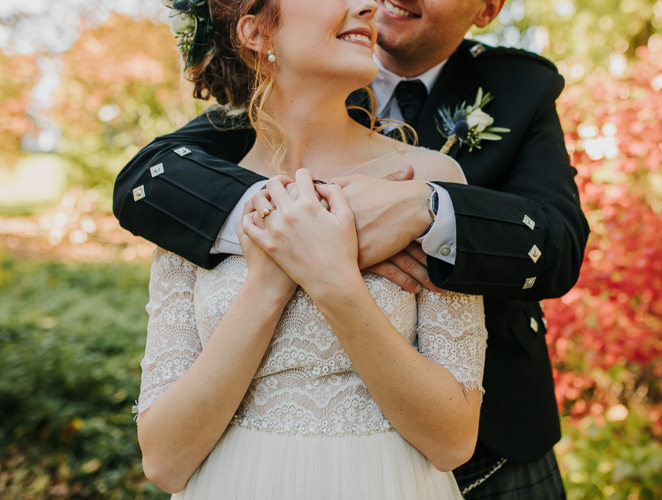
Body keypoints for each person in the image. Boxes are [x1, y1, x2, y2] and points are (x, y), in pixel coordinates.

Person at [116, 0, 590, 497]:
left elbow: (559, 242)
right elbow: (142, 177)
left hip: (491, 444)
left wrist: (429, 210)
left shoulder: (513, 91)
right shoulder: (220, 160)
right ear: (255, 35)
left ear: (487, 9)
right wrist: (287, 225)